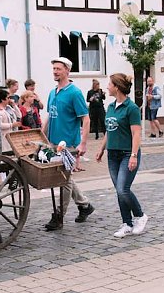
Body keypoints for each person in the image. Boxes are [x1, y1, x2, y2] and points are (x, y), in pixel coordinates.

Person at [43, 57, 94, 230]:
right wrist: (41, 136)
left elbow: (86, 119)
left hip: (69, 144)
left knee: (63, 179)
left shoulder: (74, 92)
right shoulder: (52, 92)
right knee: (66, 178)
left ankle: (59, 216)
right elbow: (50, 116)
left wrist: (83, 143)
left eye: (58, 69)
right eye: (54, 69)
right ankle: (85, 205)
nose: (55, 71)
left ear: (67, 70)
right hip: (53, 143)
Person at [95, 73, 148, 238]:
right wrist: (101, 149)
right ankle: (127, 223)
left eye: (109, 84)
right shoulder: (110, 107)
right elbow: (109, 131)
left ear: (116, 87)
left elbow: (136, 134)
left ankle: (140, 216)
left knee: (123, 189)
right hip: (113, 155)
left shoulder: (131, 108)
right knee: (119, 191)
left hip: (127, 154)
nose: (107, 87)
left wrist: (133, 155)